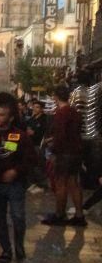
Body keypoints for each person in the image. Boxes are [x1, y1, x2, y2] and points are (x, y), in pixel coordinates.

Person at [0, 99, 37, 263]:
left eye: (2, 115)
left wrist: (16, 171)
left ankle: (19, 246)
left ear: (11, 117)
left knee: (18, 217)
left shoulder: (21, 136)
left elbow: (31, 159)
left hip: (15, 184)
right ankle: (6, 249)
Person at [42, 85, 86, 226]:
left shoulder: (61, 113)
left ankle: (60, 214)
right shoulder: (75, 112)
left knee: (60, 183)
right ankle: (79, 215)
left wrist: (54, 150)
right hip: (76, 152)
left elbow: (60, 135)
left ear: (56, 97)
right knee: (74, 183)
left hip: (64, 153)